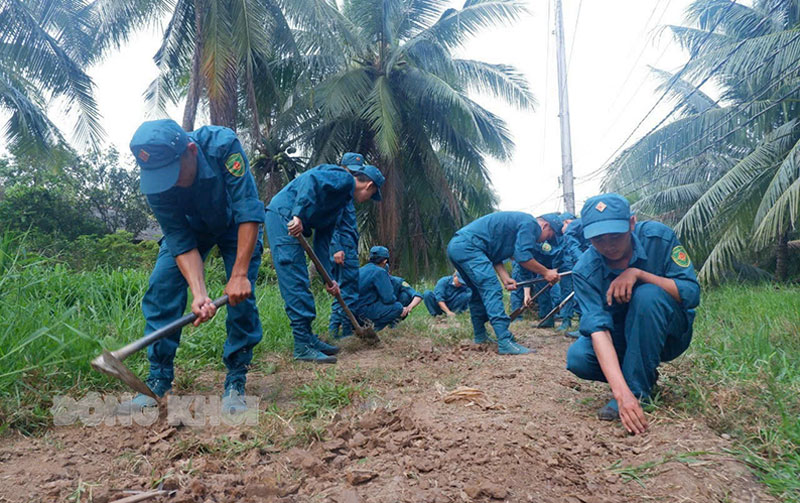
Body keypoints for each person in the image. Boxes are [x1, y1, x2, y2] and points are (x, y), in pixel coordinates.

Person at [118, 118, 265, 415]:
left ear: (191, 151)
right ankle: (159, 378)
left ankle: (236, 379)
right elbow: (179, 239)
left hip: (238, 225)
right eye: (160, 177)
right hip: (193, 228)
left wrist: (238, 275)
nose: (167, 182)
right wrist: (199, 294)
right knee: (162, 285)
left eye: (172, 173)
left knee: (240, 295)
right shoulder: (155, 182)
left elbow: (248, 208)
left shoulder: (222, 146)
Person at [566, 193, 700, 435]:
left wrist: (639, 274)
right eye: (598, 239)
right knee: (578, 357)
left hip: (669, 335)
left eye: (616, 236)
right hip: (623, 340)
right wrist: (621, 394)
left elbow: (691, 294)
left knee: (647, 295)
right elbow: (599, 331)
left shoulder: (658, 238)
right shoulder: (585, 271)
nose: (608, 246)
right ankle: (638, 381)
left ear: (631, 223)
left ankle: (639, 391)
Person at [266, 160, 384, 363]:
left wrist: (329, 280)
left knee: (302, 282)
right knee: (296, 281)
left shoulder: (339, 202)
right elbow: (311, 180)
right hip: (284, 218)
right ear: (369, 186)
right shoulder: (344, 178)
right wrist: (298, 215)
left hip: (293, 221)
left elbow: (323, 240)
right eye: (370, 196)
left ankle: (309, 339)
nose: (366, 200)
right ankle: (302, 345)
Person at [446, 212, 562, 354]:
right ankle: (504, 340)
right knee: (492, 289)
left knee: (477, 293)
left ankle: (480, 336)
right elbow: (523, 257)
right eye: (549, 236)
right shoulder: (530, 224)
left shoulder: (517, 226)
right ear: (545, 225)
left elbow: (494, 254)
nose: (545, 241)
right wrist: (546, 272)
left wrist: (505, 277)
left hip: (458, 247)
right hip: (469, 247)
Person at [328, 153, 365, 339]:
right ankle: (343, 335)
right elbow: (332, 220)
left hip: (343, 247)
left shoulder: (346, 192)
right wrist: (336, 248)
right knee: (348, 292)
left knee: (341, 291)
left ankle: (336, 334)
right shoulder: (339, 190)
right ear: (342, 168)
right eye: (351, 172)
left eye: (357, 174)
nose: (353, 177)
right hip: (343, 249)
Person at [353, 247, 403, 331]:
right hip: (363, 313)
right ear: (385, 261)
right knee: (398, 307)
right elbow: (389, 299)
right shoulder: (380, 271)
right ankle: (371, 330)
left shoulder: (360, 270)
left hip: (352, 312)